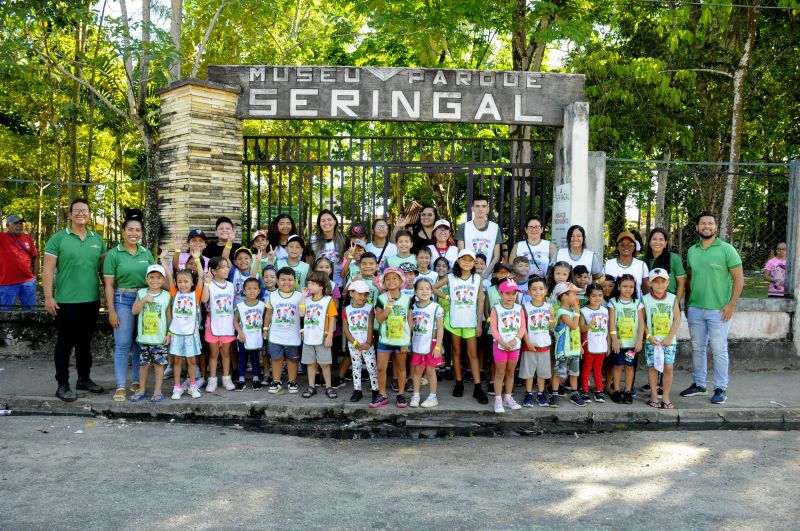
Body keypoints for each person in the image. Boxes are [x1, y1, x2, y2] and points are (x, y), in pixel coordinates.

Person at [43, 198, 106, 401]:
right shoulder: (58, 239)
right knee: (64, 343)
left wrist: (107, 298)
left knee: (84, 343)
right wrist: (48, 297)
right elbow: (48, 269)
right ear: (70, 215)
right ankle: (62, 385)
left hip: (91, 301)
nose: (81, 213)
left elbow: (104, 272)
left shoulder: (97, 240)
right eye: (76, 211)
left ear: (89, 215)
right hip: (65, 302)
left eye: (84, 211)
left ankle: (84, 379)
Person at [681, 211, 743, 405]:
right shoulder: (692, 251)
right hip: (696, 309)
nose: (706, 226)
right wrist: (687, 304)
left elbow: (739, 278)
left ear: (716, 227)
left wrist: (731, 304)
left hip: (719, 310)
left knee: (718, 349)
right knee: (697, 348)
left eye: (710, 223)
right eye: (702, 224)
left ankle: (720, 388)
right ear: (697, 228)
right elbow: (690, 279)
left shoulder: (727, 249)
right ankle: (699, 384)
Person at [103, 210, 156, 400]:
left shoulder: (146, 253)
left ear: (142, 232)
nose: (134, 233)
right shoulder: (113, 254)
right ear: (123, 231)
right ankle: (120, 386)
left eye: (138, 230)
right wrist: (112, 311)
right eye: (130, 230)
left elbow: (155, 279)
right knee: (123, 343)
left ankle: (136, 381)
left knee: (139, 343)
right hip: (122, 300)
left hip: (143, 300)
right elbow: (108, 285)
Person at [433, 249, 488, 404]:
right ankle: (459, 383)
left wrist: (479, 323)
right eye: (464, 259)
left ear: (473, 263)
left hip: (470, 321)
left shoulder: (477, 278)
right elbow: (433, 287)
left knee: (473, 354)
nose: (467, 262)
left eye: (470, 260)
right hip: (455, 319)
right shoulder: (451, 277)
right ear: (458, 261)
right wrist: (446, 297)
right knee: (456, 351)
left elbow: (480, 302)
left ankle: (478, 387)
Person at [129, 264, 172, 402]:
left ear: (163, 279)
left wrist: (169, 334)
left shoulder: (166, 296)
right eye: (151, 277)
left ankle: (157, 391)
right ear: (146, 279)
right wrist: (143, 300)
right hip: (144, 338)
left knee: (159, 366)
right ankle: (141, 390)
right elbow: (134, 311)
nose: (155, 280)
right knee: (144, 365)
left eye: (159, 278)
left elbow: (169, 317)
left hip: (159, 339)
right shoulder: (141, 293)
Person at [372, 267, 413, 408]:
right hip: (385, 340)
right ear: (383, 282)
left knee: (401, 368)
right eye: (388, 279)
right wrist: (389, 306)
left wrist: (407, 342)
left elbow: (410, 321)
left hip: (401, 340)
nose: (391, 281)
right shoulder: (381, 298)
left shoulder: (407, 299)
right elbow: (379, 319)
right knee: (381, 368)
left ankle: (400, 394)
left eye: (395, 278)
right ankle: (382, 394)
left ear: (401, 281)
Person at [163, 261, 203, 400]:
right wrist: (163, 259)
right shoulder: (174, 293)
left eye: (186, 281)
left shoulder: (196, 294)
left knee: (191, 361)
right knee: (177, 361)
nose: (182, 284)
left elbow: (202, 277)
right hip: (176, 333)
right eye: (180, 281)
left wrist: (197, 260)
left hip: (191, 334)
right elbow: (169, 276)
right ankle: (177, 387)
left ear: (192, 283)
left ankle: (192, 385)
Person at [642, 268, 681, 409]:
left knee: (668, 367)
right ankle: (653, 396)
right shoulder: (645, 299)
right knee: (653, 367)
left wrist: (670, 337)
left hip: (668, 341)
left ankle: (665, 397)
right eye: (656, 282)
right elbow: (642, 321)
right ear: (650, 283)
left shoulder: (672, 298)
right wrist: (648, 336)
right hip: (652, 341)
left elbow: (677, 319)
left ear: (668, 282)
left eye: (663, 281)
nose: (660, 285)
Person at [264, 267, 306, 394]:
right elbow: (268, 314)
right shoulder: (272, 295)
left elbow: (304, 315)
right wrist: (265, 329)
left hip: (293, 335)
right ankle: (276, 381)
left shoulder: (300, 296)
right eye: (282, 279)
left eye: (290, 279)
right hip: (276, 334)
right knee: (276, 359)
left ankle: (292, 381)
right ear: (277, 281)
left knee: (292, 360)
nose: (286, 282)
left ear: (295, 281)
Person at [200, 256, 236, 392]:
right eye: (223, 267)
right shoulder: (210, 285)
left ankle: (227, 378)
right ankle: (212, 379)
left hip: (227, 325)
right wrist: (206, 283)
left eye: (227, 266)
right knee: (213, 354)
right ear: (214, 271)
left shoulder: (231, 286)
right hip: (212, 325)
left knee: (226, 354)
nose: (227, 269)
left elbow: (232, 304)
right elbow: (204, 299)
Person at [608, 274, 645, 405]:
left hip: (632, 344)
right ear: (618, 287)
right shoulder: (613, 302)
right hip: (619, 343)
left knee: (629, 366)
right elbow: (611, 322)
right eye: (624, 286)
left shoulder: (637, 303)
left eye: (631, 287)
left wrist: (639, 340)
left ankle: (628, 391)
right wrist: (614, 339)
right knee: (617, 366)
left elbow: (641, 323)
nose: (628, 289)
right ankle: (617, 390)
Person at [489, 278, 525, 413]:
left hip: (515, 347)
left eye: (514, 294)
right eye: (507, 293)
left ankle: (508, 398)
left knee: (510, 373)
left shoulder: (519, 308)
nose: (511, 296)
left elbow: (522, 327)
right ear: (500, 293)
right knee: (500, 373)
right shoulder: (496, 309)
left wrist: (515, 340)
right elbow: (493, 329)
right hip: (500, 346)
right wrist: (502, 343)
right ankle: (498, 400)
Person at [408, 277, 444, 408]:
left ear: (432, 291)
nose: (425, 291)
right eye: (421, 289)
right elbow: (410, 327)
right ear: (415, 292)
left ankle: (432, 397)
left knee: (430, 371)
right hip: (417, 343)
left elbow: (440, 329)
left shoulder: (436, 308)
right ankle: (416, 395)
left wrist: (438, 347)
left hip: (432, 344)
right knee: (417, 371)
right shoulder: (412, 308)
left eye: (428, 289)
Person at [301, 271, 338, 399]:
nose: (309, 285)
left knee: (325, 363)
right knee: (310, 363)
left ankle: (328, 386)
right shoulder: (307, 300)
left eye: (313, 283)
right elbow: (301, 314)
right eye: (309, 283)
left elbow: (332, 318)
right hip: (308, 337)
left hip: (322, 337)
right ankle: (311, 386)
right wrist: (303, 297)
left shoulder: (328, 300)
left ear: (321, 286)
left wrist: (329, 336)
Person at [520, 276, 554, 407]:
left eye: (540, 289)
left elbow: (551, 327)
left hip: (544, 344)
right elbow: (523, 327)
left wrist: (551, 316)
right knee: (528, 371)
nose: (537, 292)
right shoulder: (525, 307)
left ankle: (540, 393)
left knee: (542, 371)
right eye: (534, 289)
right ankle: (528, 393)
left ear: (545, 291)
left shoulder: (549, 306)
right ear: (528, 292)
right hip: (530, 344)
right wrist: (527, 342)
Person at [343, 280, 379, 403]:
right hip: (354, 344)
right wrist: (354, 343)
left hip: (367, 344)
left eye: (365, 295)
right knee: (356, 367)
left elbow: (370, 326)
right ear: (351, 293)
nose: (362, 297)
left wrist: (368, 342)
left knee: (371, 366)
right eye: (359, 294)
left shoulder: (370, 308)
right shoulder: (346, 309)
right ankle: (357, 391)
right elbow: (346, 329)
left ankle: (376, 390)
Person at [551, 282, 586, 407]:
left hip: (574, 349)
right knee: (558, 373)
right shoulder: (562, 312)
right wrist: (577, 312)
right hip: (563, 350)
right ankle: (554, 394)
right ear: (564, 296)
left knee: (574, 373)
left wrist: (580, 346)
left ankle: (574, 393)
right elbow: (574, 326)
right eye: (573, 294)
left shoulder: (572, 310)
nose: (576, 297)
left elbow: (576, 332)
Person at [456, 194, 502, 279]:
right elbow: (461, 254)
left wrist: (485, 275)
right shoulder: (463, 227)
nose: (480, 209)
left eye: (484, 206)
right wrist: (467, 273)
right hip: (467, 274)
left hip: (487, 275)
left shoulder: (495, 228)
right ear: (472, 208)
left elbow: (496, 256)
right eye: (477, 206)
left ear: (488, 209)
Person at [233, 277, 266, 391]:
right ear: (244, 290)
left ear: (259, 290)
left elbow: (266, 321)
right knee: (242, 359)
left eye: (255, 288)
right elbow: (235, 321)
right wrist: (240, 332)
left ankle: (256, 379)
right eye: (249, 289)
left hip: (256, 337)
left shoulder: (262, 305)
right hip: (243, 337)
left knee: (255, 358)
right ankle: (241, 380)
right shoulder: (241, 306)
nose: (252, 291)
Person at [0, 214, 38, 310]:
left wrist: (35, 276)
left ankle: (29, 325)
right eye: (15, 223)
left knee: (30, 311)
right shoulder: (2, 237)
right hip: (7, 283)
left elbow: (35, 256)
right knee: (6, 313)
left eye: (21, 223)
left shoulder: (27, 238)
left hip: (28, 282)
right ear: (7, 226)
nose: (19, 225)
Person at [579, 283, 609, 403]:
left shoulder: (605, 310)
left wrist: (609, 344)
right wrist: (590, 325)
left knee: (598, 368)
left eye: (600, 295)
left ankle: (599, 390)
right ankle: (585, 390)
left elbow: (608, 328)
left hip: (601, 345)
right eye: (594, 296)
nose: (597, 298)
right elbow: (580, 329)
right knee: (587, 368)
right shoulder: (584, 311)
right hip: (589, 345)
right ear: (587, 297)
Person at [603, 231, 650, 298]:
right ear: (617, 247)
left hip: (635, 306)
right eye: (622, 244)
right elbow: (601, 286)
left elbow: (646, 290)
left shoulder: (641, 265)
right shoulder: (609, 264)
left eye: (630, 244)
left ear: (634, 247)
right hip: (613, 306)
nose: (626, 247)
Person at [645, 228, 686, 301]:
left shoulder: (673, 258)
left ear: (665, 243)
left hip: (670, 300)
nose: (657, 242)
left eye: (661, 239)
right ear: (649, 242)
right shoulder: (643, 260)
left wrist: (675, 304)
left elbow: (681, 284)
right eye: (654, 239)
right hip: (649, 301)